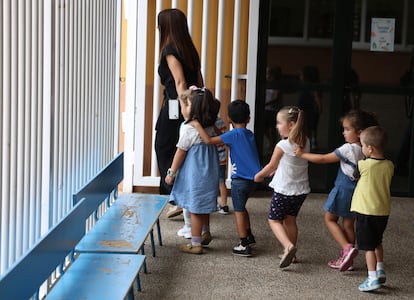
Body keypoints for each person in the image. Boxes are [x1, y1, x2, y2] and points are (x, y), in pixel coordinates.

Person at [295, 110, 379, 271]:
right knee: (348, 224)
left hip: (343, 189)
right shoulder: (367, 149)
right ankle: (348, 260)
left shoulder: (348, 148)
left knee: (329, 219)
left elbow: (323, 159)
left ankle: (347, 249)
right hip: (357, 191)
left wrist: (302, 154)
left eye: (347, 129)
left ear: (359, 132)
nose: (344, 132)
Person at [193, 100, 262, 256]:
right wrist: (218, 131)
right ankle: (249, 236)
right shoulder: (248, 134)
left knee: (238, 211)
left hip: (239, 181)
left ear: (229, 118)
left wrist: (197, 125)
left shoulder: (233, 135)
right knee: (243, 208)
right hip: (252, 180)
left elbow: (209, 141)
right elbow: (225, 137)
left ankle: (244, 244)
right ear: (248, 118)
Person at [155, 8, 203, 218]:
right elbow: (199, 81)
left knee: (164, 146)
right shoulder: (189, 49)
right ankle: (180, 195)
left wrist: (184, 110)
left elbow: (180, 81)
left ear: (166, 26)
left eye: (160, 24)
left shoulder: (170, 50)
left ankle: (173, 194)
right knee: (180, 148)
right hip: (188, 104)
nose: (158, 28)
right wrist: (199, 106)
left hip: (177, 106)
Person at [165, 87, 220, 254]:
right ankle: (205, 232)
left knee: (195, 207)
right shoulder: (210, 126)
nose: (182, 109)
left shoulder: (190, 128)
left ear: (193, 109)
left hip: (196, 173)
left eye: (184, 105)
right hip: (209, 173)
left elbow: (180, 151)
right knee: (203, 204)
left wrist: (171, 172)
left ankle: (196, 244)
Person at [254, 106, 310, 268]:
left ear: (291, 125)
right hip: (300, 191)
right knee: (290, 220)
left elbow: (271, 165)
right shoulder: (304, 142)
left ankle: (288, 247)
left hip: (284, 190)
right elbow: (292, 163)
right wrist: (278, 169)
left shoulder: (282, 145)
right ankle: (291, 256)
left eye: (279, 123)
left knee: (274, 220)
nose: (277, 126)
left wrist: (259, 176)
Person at [345, 126, 394, 292]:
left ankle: (372, 278)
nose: (362, 148)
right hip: (382, 212)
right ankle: (380, 269)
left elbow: (354, 174)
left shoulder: (363, 165)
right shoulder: (390, 165)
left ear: (370, 148)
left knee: (367, 247)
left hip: (365, 211)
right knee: (377, 241)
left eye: (363, 146)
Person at [297, 65, 322, 150]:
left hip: (309, 110)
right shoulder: (303, 86)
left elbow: (317, 98)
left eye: (301, 75)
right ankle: (309, 142)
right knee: (305, 126)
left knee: (310, 126)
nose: (300, 77)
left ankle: (311, 142)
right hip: (303, 109)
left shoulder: (312, 87)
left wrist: (319, 108)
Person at [215, 114, 230, 215]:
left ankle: (212, 203)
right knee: (222, 182)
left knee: (211, 182)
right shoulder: (221, 121)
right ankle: (224, 205)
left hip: (212, 158)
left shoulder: (207, 123)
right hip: (222, 157)